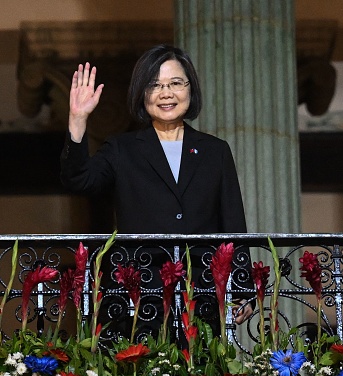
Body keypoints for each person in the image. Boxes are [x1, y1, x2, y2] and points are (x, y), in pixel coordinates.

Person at [60, 44, 252, 338]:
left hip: (200, 293)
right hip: (140, 295)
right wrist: (78, 118)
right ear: (142, 93)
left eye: (176, 83)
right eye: (155, 85)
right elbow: (80, 181)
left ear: (190, 90)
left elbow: (233, 223)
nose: (166, 93)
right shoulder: (121, 149)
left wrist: (242, 288)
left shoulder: (216, 151)